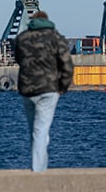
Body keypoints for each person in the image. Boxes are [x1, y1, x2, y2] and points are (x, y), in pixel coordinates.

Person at [12, 10, 73, 172]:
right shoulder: (55, 37)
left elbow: (18, 58)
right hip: (49, 89)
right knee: (41, 129)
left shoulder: (21, 38)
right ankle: (38, 170)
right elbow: (67, 65)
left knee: (35, 129)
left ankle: (40, 167)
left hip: (27, 89)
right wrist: (63, 87)